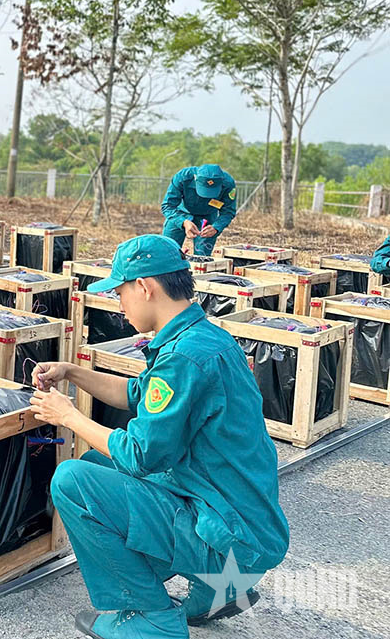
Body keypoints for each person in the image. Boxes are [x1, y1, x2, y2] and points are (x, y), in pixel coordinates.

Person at [29, 234, 288, 639]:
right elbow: (137, 394)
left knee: (74, 482)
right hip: (242, 524)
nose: (119, 304)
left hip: (228, 535)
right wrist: (72, 372)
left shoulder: (184, 356)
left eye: (120, 292)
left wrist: (69, 416)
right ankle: (221, 588)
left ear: (145, 287)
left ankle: (150, 618)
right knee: (99, 465)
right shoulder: (203, 338)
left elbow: (138, 456)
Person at [160, 164, 236, 256]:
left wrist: (216, 227)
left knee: (202, 257)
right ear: (196, 179)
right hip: (179, 215)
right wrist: (183, 222)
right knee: (167, 251)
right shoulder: (182, 177)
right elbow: (167, 206)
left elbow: (228, 211)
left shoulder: (228, 184)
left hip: (207, 217)